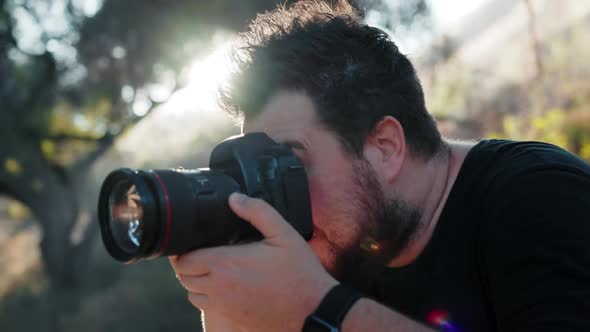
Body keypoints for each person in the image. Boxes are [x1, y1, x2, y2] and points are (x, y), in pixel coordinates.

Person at [168, 1, 590, 331]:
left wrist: (320, 307)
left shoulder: (539, 196)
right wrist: (231, 308)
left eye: (289, 164)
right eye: (263, 168)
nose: (278, 199)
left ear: (385, 147)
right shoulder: (346, 249)